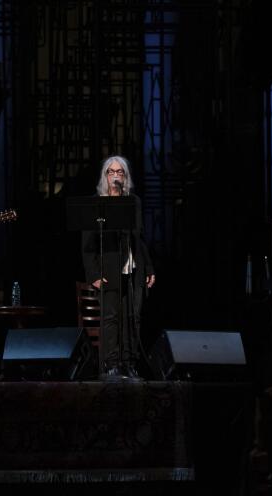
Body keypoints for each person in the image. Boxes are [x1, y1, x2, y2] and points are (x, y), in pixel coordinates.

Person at [82, 155, 156, 380]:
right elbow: (87, 244)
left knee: (132, 317)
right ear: (105, 176)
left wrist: (149, 268)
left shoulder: (133, 201)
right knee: (111, 318)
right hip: (108, 270)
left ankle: (129, 363)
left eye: (120, 172)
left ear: (125, 177)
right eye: (111, 172)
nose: (115, 176)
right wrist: (94, 274)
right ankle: (112, 364)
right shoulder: (97, 202)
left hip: (133, 269)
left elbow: (140, 238)